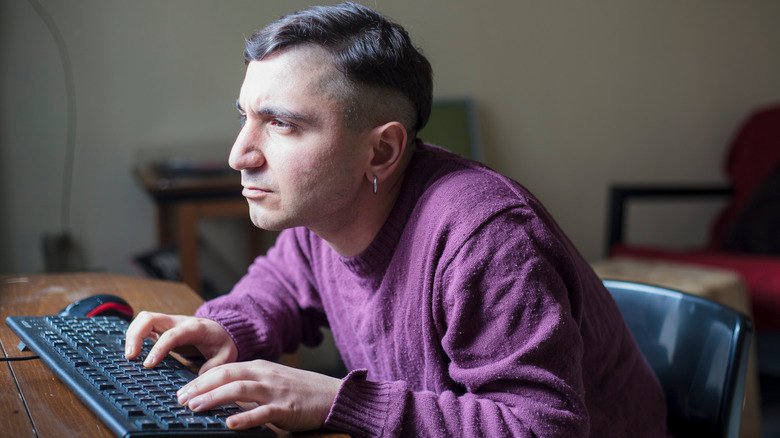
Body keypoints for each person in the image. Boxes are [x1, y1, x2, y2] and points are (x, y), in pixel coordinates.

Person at [125, 2, 667, 436]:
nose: (239, 155)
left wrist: (336, 400)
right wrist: (226, 327)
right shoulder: (329, 214)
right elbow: (281, 286)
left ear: (382, 152)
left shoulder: (486, 238)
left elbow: (542, 425)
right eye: (245, 117)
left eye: (282, 124)